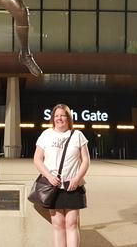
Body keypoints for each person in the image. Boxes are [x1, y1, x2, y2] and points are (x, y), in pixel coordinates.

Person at [34, 104, 90, 247]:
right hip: (54, 186)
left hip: (73, 186)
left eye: (62, 115)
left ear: (68, 118)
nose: (59, 118)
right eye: (56, 115)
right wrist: (48, 176)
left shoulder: (78, 135)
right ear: (53, 118)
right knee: (58, 224)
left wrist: (77, 179)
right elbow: (37, 159)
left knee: (72, 224)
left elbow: (86, 161)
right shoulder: (46, 134)